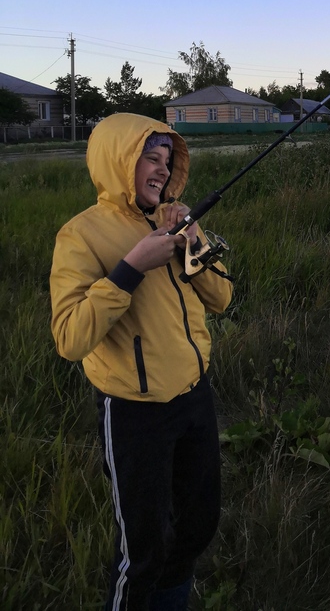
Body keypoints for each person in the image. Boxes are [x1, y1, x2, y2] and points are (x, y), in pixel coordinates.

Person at [50, 113, 233, 611]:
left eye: (167, 160)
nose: (162, 169)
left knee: (196, 527)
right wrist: (131, 268)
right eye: (150, 157)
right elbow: (69, 337)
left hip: (195, 396)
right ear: (119, 161)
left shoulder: (175, 220)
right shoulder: (80, 235)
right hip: (135, 412)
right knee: (143, 550)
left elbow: (221, 298)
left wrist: (193, 238)